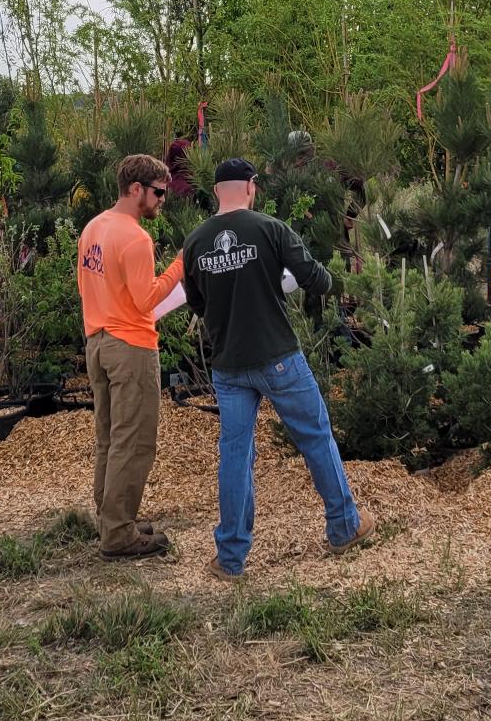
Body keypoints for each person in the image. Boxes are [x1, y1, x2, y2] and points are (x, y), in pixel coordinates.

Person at [182, 158, 375, 581]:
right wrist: (325, 281)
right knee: (315, 436)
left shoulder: (195, 242)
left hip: (229, 366)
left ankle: (230, 558)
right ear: (251, 187)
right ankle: (344, 528)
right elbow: (315, 279)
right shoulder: (270, 229)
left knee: (235, 456)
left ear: (217, 191)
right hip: (279, 357)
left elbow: (197, 302)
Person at [77, 153, 184, 560]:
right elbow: (146, 301)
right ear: (136, 189)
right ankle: (119, 535)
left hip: (98, 342)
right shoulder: (137, 238)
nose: (162, 200)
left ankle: (111, 518)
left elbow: (85, 286)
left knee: (108, 438)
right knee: (135, 440)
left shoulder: (93, 228)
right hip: (131, 347)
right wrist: (179, 267)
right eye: (158, 193)